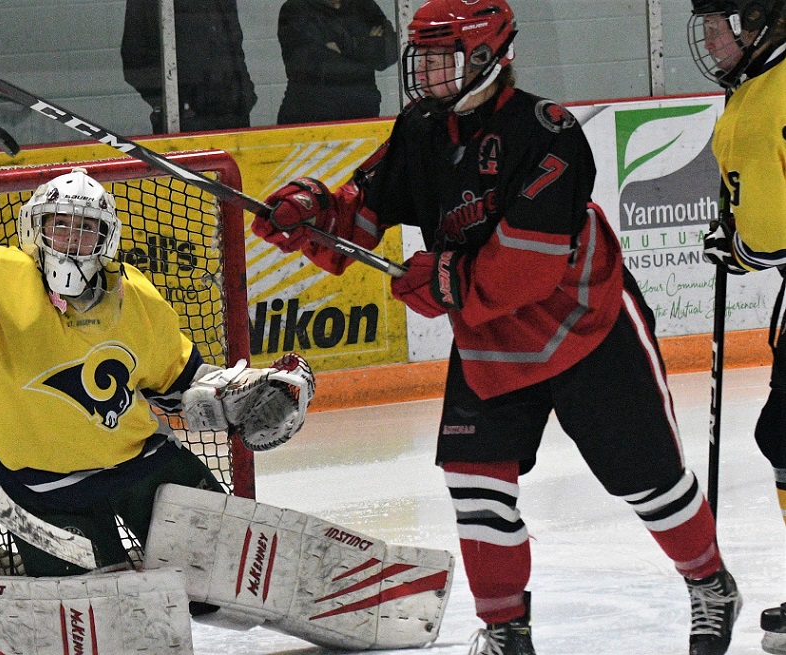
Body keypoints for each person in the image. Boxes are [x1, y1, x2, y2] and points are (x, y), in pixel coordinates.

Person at [251, 0, 742, 653]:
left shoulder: (548, 132)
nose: (424, 75)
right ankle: (507, 629)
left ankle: (710, 584)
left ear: (486, 58)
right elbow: (363, 207)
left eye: (440, 59)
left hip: (585, 331)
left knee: (647, 482)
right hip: (489, 343)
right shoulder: (422, 132)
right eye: (420, 59)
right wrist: (311, 214)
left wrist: (447, 278)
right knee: (475, 481)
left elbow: (529, 265)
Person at [0, 168, 271, 581]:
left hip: (141, 463)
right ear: (37, 228)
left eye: (86, 228)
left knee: (224, 576)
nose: (72, 239)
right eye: (61, 225)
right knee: (99, 614)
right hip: (44, 488)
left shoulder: (135, 293)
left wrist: (241, 395)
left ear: (106, 238)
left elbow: (180, 380)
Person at [688, 1, 786, 652]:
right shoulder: (756, 91)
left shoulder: (762, 101)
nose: (710, 40)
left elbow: (772, 232)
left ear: (757, 23)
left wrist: (743, 249)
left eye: (719, 25)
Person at [121, 0, 257, 134]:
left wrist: (244, 93)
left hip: (233, 116)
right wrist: (173, 104)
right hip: (185, 123)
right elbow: (133, 57)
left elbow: (234, 47)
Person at [276, 0, 398, 124]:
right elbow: (318, 66)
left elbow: (387, 54)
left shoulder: (364, 5)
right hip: (309, 117)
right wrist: (366, 44)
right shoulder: (296, 9)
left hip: (361, 115)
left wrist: (340, 46)